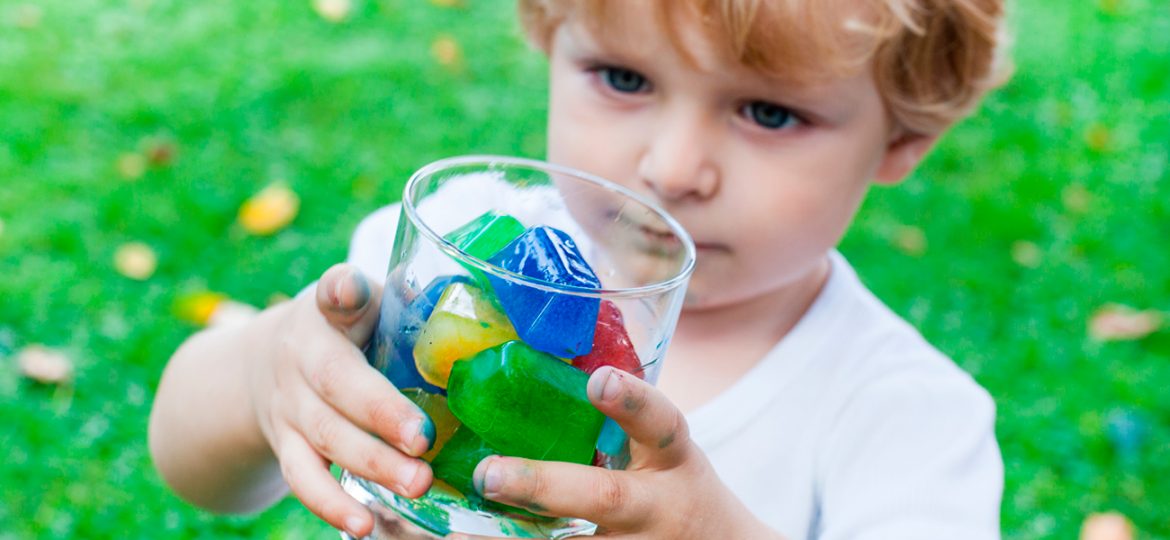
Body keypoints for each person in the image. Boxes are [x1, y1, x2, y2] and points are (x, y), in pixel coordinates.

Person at [149, 0, 1011, 538]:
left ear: (903, 138)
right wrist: (267, 376)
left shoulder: (905, 418)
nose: (674, 168)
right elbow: (196, 471)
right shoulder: (442, 266)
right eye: (624, 77)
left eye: (769, 111)